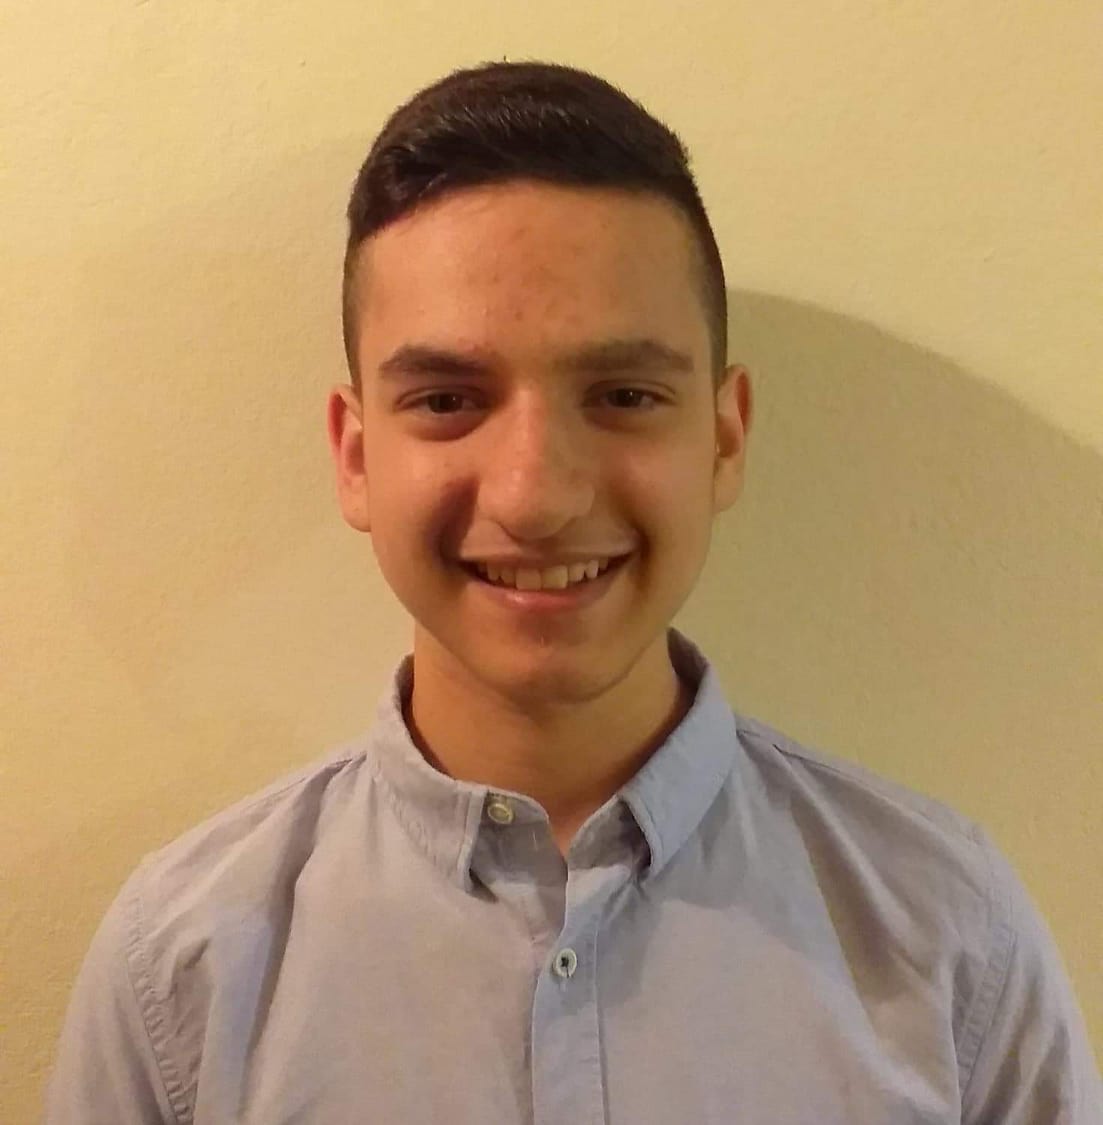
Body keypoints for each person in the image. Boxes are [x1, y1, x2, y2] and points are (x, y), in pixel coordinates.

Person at [47, 61, 1100, 1123]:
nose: (536, 495)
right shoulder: (178, 972)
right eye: (447, 400)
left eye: (624, 395)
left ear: (723, 438)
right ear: (356, 456)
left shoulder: (950, 936)